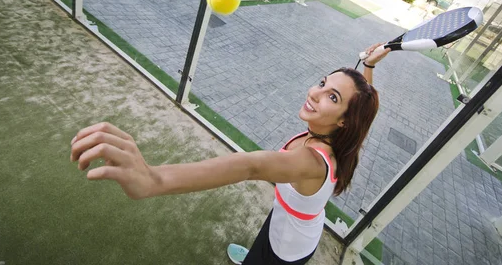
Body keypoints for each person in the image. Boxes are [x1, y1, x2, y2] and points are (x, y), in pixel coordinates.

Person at [69, 43, 390, 264]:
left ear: (344, 120)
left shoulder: (310, 162)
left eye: (331, 97)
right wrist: (370, 66)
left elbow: (250, 166)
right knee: (263, 241)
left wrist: (155, 179)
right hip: (290, 218)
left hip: (289, 247)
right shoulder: (338, 134)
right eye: (322, 82)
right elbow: (364, 106)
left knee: (267, 254)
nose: (314, 93)